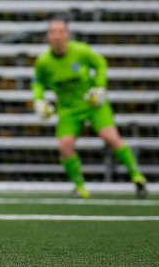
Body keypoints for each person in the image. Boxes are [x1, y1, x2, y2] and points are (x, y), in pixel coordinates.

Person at [32, 17, 147, 199]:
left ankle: (137, 177)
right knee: (64, 146)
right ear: (48, 36)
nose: (57, 36)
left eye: (60, 31)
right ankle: (80, 188)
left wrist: (100, 86)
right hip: (68, 109)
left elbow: (100, 63)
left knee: (110, 137)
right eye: (53, 32)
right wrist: (38, 99)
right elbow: (37, 82)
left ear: (67, 34)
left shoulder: (80, 51)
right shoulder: (44, 61)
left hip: (93, 104)